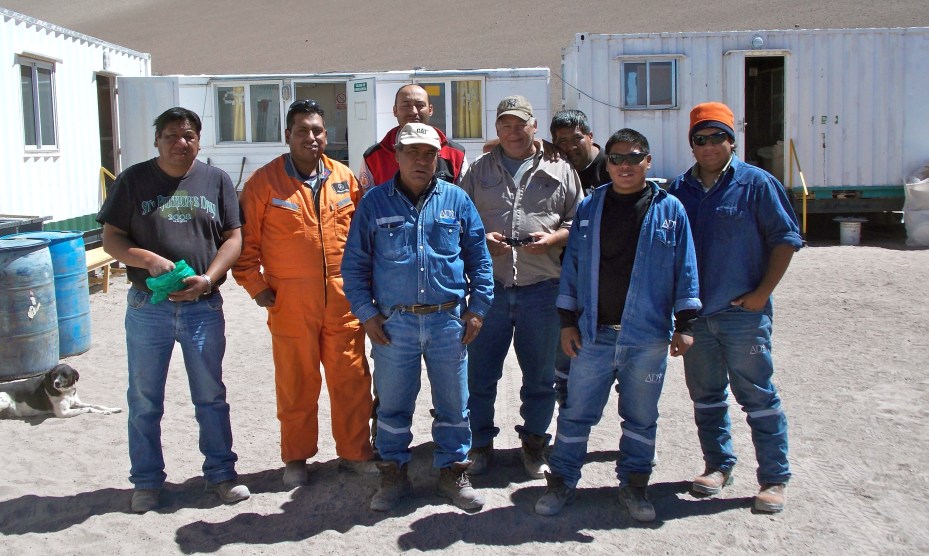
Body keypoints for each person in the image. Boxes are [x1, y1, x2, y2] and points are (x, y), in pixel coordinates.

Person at [533, 128, 701, 522]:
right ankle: (562, 481)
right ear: (607, 164)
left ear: (648, 161)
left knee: (641, 417)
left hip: (647, 338)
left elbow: (685, 267)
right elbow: (573, 267)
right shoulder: (591, 208)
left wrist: (686, 322)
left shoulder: (670, 210)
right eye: (616, 158)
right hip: (593, 335)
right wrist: (568, 322)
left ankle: (634, 485)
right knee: (575, 412)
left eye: (634, 157)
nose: (625, 165)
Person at [98, 107, 249, 513]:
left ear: (198, 141)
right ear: (157, 141)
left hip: (203, 307)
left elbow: (233, 238)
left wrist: (210, 279)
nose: (180, 143)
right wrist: (146, 259)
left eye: (189, 136)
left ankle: (221, 475)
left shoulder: (216, 180)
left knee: (211, 396)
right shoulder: (133, 180)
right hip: (149, 307)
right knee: (145, 399)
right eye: (171, 136)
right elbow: (111, 238)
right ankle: (147, 482)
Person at [342, 123, 494, 511]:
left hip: (448, 324)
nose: (421, 161)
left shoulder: (457, 200)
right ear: (396, 155)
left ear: (438, 158)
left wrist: (477, 309)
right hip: (395, 325)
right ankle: (393, 475)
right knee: (392, 407)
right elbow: (354, 266)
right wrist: (367, 314)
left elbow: (480, 260)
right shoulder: (375, 203)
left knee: (454, 406)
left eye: (429, 154)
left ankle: (453, 474)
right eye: (412, 152)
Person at [667, 102, 802, 513]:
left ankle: (773, 478)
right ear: (691, 144)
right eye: (700, 138)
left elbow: (785, 240)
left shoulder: (757, 184)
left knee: (757, 396)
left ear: (732, 140)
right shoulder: (678, 190)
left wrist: (762, 293)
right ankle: (718, 465)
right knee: (706, 396)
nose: (709, 146)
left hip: (743, 315)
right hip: (696, 318)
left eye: (717, 137)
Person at [233, 99, 375, 488]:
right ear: (288, 135)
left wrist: (364, 289)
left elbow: (364, 240)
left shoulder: (345, 178)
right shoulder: (264, 183)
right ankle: (296, 457)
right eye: (302, 131)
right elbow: (245, 244)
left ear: (326, 135)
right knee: (296, 382)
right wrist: (257, 287)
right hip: (290, 301)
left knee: (352, 379)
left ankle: (355, 452)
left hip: (343, 301)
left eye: (317, 130)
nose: (310, 137)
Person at [459, 95, 583, 479]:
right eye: (505, 125)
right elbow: (458, 221)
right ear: (497, 129)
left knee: (540, 379)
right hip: (490, 289)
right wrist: (481, 240)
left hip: (542, 289)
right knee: (480, 376)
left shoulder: (561, 170)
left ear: (534, 126)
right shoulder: (478, 171)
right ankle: (480, 444)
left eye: (520, 124)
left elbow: (578, 220)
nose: (513, 132)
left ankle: (534, 444)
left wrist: (554, 239)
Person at [358, 84, 468, 191]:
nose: (413, 111)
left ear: (430, 109)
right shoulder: (373, 157)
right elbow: (367, 200)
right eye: (406, 105)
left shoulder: (455, 154)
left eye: (420, 105)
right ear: (395, 110)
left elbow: (464, 199)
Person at [550, 109, 610, 195]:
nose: (571, 147)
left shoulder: (613, 167)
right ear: (554, 143)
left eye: (577, 138)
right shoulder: (552, 169)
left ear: (590, 137)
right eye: (563, 141)